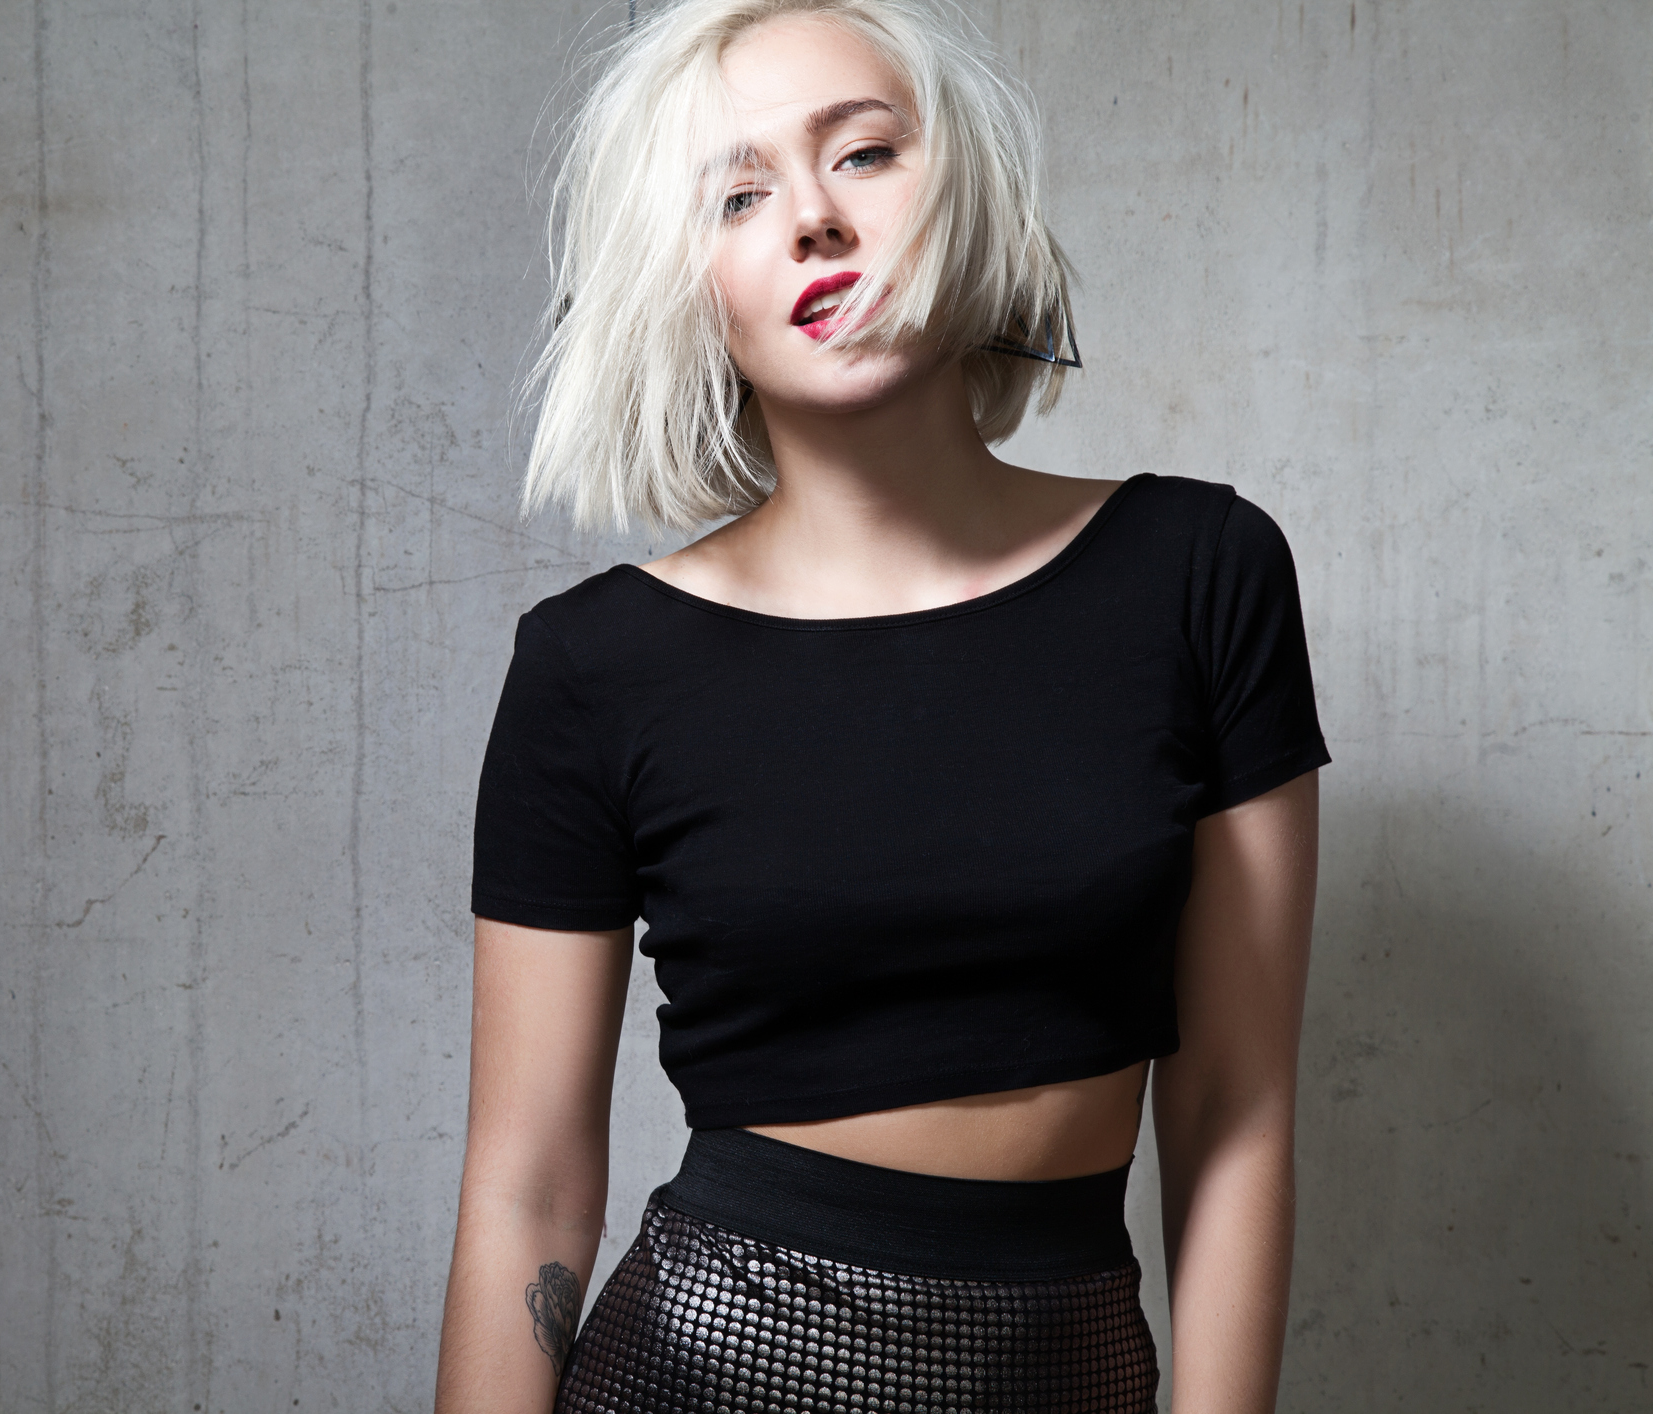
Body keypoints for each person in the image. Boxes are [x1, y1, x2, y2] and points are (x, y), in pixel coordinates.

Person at [435, 1, 1327, 1409]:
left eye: (860, 154)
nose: (810, 220)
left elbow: (1234, 1109)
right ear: (689, 283)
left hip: (1069, 1365)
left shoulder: (1199, 574)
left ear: (959, 189)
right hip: (713, 1367)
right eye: (737, 194)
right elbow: (528, 1187)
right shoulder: (590, 667)